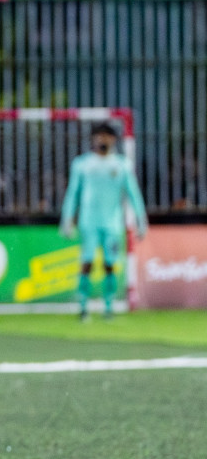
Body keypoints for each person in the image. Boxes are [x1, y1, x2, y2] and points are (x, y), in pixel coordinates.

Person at [60, 123, 147, 320]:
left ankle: (109, 307)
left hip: (112, 223)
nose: (102, 140)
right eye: (99, 136)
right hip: (88, 222)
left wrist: (141, 220)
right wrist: (66, 219)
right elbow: (73, 193)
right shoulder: (82, 164)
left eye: (106, 136)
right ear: (93, 139)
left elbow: (133, 194)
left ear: (113, 139)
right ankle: (83, 307)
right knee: (87, 262)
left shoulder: (122, 164)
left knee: (110, 263)